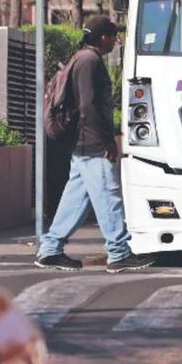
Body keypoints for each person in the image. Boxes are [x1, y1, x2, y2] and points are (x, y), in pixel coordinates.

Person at [35, 16, 155, 273]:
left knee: (75, 198)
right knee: (109, 196)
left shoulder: (82, 58)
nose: (115, 41)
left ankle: (50, 249)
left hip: (83, 143)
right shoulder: (89, 61)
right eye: (113, 36)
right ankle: (119, 253)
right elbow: (88, 105)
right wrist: (107, 140)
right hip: (91, 142)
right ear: (103, 37)